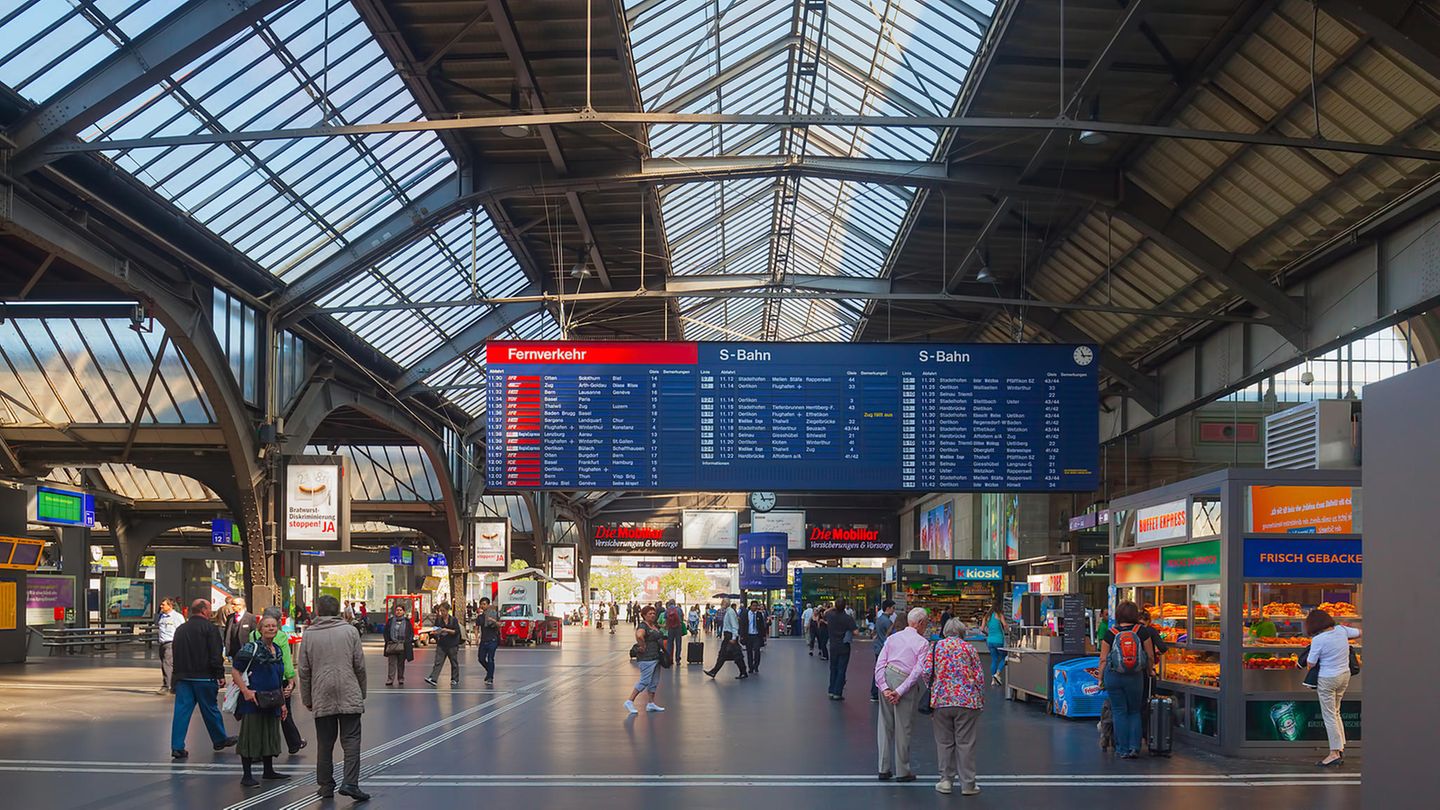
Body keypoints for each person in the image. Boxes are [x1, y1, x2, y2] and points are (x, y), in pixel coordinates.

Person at [297, 594, 369, 802]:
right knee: (352, 740)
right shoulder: (350, 631)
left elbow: (304, 670)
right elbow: (360, 665)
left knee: (325, 742)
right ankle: (350, 783)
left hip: (321, 692)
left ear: (317, 611)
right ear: (338, 611)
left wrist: (307, 697)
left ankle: (326, 785)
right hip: (349, 690)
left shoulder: (309, 635)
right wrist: (361, 692)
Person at [917, 618, 986, 796]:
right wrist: (980, 697)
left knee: (944, 742)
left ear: (945, 631)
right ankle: (968, 784)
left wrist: (933, 689)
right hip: (967, 700)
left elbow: (926, 672)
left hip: (941, 700)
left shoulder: (936, 647)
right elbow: (979, 676)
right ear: (962, 632)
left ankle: (946, 780)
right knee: (966, 743)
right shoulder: (969, 648)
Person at [170, 599, 237, 759]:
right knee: (210, 710)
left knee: (181, 712)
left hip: (184, 677)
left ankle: (177, 746)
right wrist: (219, 674)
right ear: (204, 610)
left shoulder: (181, 629)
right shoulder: (209, 629)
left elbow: (175, 652)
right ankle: (219, 739)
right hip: (204, 677)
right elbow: (215, 654)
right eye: (209, 608)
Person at [231, 616, 290, 787]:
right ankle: (247, 775)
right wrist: (245, 691)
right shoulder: (251, 648)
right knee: (252, 735)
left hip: (272, 698)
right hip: (254, 700)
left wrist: (282, 702)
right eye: (267, 626)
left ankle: (269, 770)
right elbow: (235, 671)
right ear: (260, 629)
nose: (271, 629)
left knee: (269, 733)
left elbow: (279, 677)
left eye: (273, 626)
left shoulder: (277, 649)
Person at [875, 607, 931, 782]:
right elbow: (917, 671)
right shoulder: (923, 643)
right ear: (920, 623)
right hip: (904, 681)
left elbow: (880, 664)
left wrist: (884, 687)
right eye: (926, 623)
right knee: (903, 727)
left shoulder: (892, 638)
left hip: (888, 675)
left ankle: (883, 768)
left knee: (884, 724)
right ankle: (902, 770)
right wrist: (899, 691)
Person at [1099, 601, 1156, 759]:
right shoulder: (1142, 632)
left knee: (1119, 711)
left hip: (1114, 676)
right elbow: (1150, 655)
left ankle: (1121, 749)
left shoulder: (1111, 633)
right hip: (1135, 677)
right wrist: (1150, 670)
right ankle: (1134, 748)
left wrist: (1100, 678)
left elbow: (1103, 659)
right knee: (1134, 711)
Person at [1305, 609, 1361, 767]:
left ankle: (1334, 753)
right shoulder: (1341, 630)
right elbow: (1359, 632)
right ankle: (1340, 747)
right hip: (1344, 676)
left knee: (1329, 715)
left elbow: (1311, 663)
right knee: (1336, 712)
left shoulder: (1318, 640)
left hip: (1327, 678)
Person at [250, 606, 305, 755]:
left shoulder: (253, 635)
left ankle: (258, 748)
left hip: (257, 680)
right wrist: (291, 679)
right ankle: (293, 743)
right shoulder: (280, 636)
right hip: (277, 681)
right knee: (284, 712)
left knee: (260, 716)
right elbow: (286, 661)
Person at [625, 606, 666, 714]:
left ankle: (651, 703)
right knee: (645, 681)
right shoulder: (643, 626)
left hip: (656, 657)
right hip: (646, 658)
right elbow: (639, 635)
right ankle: (630, 701)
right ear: (644, 615)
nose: (652, 615)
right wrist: (642, 646)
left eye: (653, 613)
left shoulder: (654, 626)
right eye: (650, 614)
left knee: (654, 681)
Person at [705, 598, 748, 679]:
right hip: (729, 636)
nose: (722, 604)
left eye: (723, 602)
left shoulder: (730, 612)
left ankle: (714, 672)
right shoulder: (728, 612)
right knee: (731, 655)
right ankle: (743, 671)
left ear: (727, 603)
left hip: (730, 636)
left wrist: (734, 637)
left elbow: (734, 625)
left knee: (731, 655)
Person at [826, 599, 857, 700]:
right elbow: (856, 631)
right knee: (841, 669)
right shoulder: (848, 618)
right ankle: (837, 692)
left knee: (833, 668)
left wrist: (834, 607)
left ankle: (831, 690)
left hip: (833, 645)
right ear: (845, 607)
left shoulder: (830, 616)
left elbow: (825, 612)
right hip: (844, 646)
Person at [425, 603, 463, 686]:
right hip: (441, 644)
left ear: (447, 610)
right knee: (438, 661)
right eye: (440, 611)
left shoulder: (453, 620)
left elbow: (456, 632)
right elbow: (435, 629)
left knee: (453, 662)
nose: (441, 613)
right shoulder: (438, 619)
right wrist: (435, 633)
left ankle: (454, 679)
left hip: (452, 644)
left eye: (443, 611)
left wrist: (446, 630)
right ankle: (433, 678)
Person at [382, 603, 415, 687]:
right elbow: (386, 632)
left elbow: (411, 633)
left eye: (400, 610)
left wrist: (407, 641)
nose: (398, 612)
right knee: (391, 663)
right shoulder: (390, 621)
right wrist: (388, 640)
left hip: (402, 645)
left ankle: (400, 678)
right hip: (392, 645)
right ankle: (390, 679)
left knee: (401, 663)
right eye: (397, 610)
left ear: (403, 611)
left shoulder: (407, 622)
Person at [156, 598, 185, 694]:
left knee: (167, 664)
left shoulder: (177, 617)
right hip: (162, 643)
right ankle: (174, 686)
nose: (161, 606)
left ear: (170, 606)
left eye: (163, 604)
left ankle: (166, 686)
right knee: (168, 664)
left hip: (171, 643)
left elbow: (182, 630)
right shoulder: (161, 616)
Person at [871, 599, 897, 702]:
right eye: (893, 608)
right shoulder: (888, 621)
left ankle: (874, 692)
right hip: (883, 648)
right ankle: (875, 692)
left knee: (878, 670)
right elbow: (893, 634)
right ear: (888, 608)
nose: (894, 611)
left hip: (878, 646)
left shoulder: (879, 619)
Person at [739, 600, 768, 674]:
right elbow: (742, 625)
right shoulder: (745, 614)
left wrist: (764, 636)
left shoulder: (759, 614)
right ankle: (750, 667)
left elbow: (762, 626)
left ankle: (756, 666)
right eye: (753, 605)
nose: (755, 607)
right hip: (748, 635)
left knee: (757, 650)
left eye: (756, 606)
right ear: (750, 606)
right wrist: (741, 635)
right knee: (749, 652)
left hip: (757, 636)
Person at [476, 596, 500, 684]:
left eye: (484, 604)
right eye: (481, 604)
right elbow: (477, 627)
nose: (482, 606)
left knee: (490, 658)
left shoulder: (494, 614)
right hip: (483, 639)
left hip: (492, 639)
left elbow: (499, 624)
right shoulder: (480, 617)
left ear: (488, 605)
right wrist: (476, 637)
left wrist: (492, 620)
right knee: (481, 658)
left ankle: (490, 677)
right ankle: (489, 671)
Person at [984, 602, 1008, 686]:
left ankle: (993, 680)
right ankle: (997, 674)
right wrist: (1007, 630)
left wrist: (988, 634)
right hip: (999, 640)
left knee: (994, 659)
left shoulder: (987, 617)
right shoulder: (999, 615)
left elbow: (982, 628)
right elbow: (1004, 624)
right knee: (1004, 657)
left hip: (990, 640)